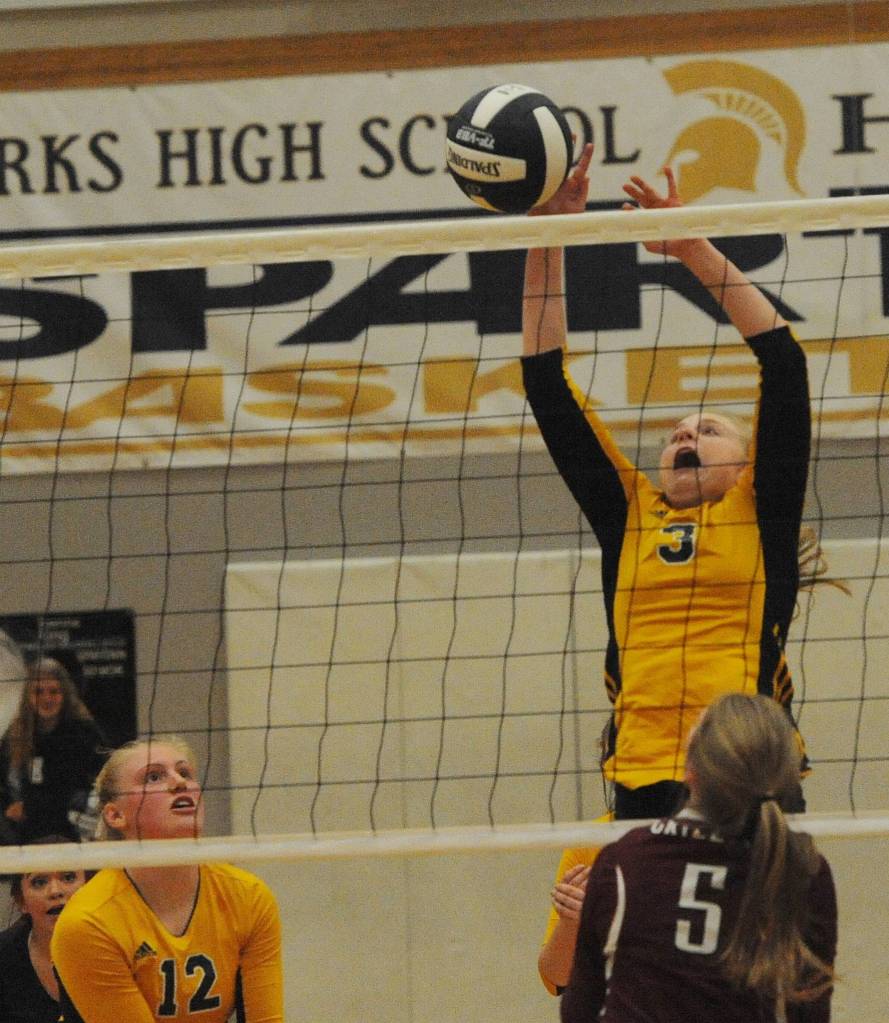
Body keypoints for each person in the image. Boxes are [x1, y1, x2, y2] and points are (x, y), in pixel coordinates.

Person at [522, 143, 817, 821]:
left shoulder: (757, 508)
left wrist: (691, 250)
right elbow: (546, 382)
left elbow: (784, 364)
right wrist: (544, 236)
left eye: (707, 429)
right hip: (645, 772)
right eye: (675, 433)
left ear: (745, 464)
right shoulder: (628, 512)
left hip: (750, 774)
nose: (685, 436)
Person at [561, 692, 836, 1022]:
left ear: (690, 770)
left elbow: (579, 1011)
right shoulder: (804, 871)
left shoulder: (624, 861)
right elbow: (810, 1015)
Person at [51, 736, 284, 1023]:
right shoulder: (89, 921)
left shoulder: (249, 897)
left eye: (185, 772)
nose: (179, 783)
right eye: (153, 777)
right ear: (115, 815)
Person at [0, 657, 106, 844]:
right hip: (24, 832)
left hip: (72, 827)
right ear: (27, 696)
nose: (46, 698)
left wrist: (31, 808)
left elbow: (81, 786)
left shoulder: (83, 732)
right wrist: (8, 807)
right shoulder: (16, 733)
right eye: (38, 692)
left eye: (54, 691)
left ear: (64, 694)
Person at [0, 835, 89, 1023]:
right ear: (20, 900)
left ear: (91, 887)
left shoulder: (122, 945)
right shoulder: (4, 955)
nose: (55, 891)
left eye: (68, 877)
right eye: (39, 882)